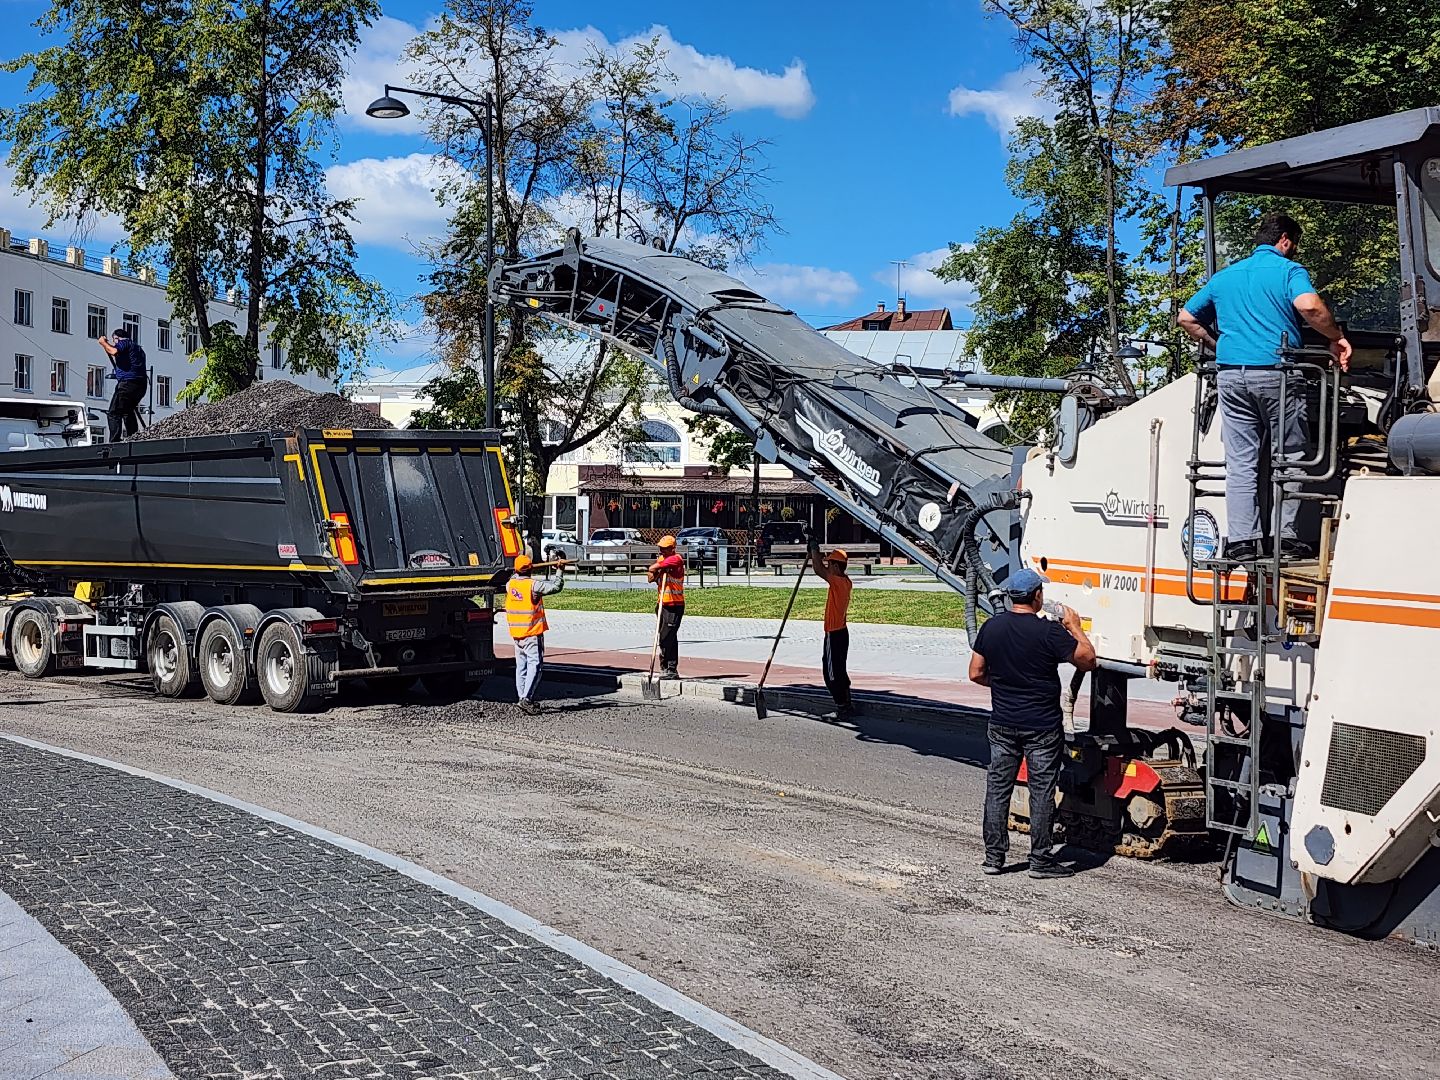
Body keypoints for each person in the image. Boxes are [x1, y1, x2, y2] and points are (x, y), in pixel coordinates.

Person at [1178, 212, 1352, 562]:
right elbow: (1309, 305)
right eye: (1294, 243)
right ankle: (1284, 539)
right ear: (1285, 240)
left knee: (1241, 461)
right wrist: (1336, 337)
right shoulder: (1289, 271)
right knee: (1290, 456)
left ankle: (1243, 541)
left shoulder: (1225, 276)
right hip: (1277, 374)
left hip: (1230, 377)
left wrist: (1219, 345)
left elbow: (1186, 318)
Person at [968, 568, 1097, 879]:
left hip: (1002, 723)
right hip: (1042, 727)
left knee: (998, 789)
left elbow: (975, 673)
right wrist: (1075, 627)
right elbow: (1088, 661)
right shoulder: (1049, 632)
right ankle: (1040, 860)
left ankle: (994, 858)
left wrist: (1003, 684)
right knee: (1041, 792)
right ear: (1037, 595)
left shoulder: (991, 627)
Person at [506, 553, 564, 714]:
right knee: (535, 665)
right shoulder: (533, 585)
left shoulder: (510, 585)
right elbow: (556, 587)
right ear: (530, 569)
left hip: (517, 633)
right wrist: (560, 570)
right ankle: (526, 699)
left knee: (521, 666)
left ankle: (522, 697)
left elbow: (514, 578)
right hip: (531, 632)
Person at [808, 538, 854, 719]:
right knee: (839, 670)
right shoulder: (846, 581)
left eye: (830, 564)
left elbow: (818, 570)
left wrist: (814, 548)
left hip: (834, 634)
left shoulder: (837, 582)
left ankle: (842, 706)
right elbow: (821, 567)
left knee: (831, 674)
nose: (828, 566)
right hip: (842, 632)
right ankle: (847, 702)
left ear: (835, 566)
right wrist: (815, 553)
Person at [97, 327, 148, 442]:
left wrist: (103, 343)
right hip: (140, 386)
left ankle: (114, 441)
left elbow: (113, 351)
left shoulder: (124, 343)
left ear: (117, 338)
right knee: (127, 411)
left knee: (113, 412)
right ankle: (133, 437)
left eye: (114, 340)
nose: (114, 343)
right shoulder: (137, 348)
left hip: (127, 384)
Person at [646, 535, 685, 679]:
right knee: (665, 636)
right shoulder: (662, 560)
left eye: (665, 548)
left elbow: (652, 567)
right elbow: (650, 576)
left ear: (672, 548)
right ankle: (665, 668)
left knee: (667, 636)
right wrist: (659, 571)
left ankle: (671, 669)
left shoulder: (677, 559)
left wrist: (658, 568)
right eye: (660, 548)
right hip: (662, 604)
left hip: (674, 605)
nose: (661, 551)